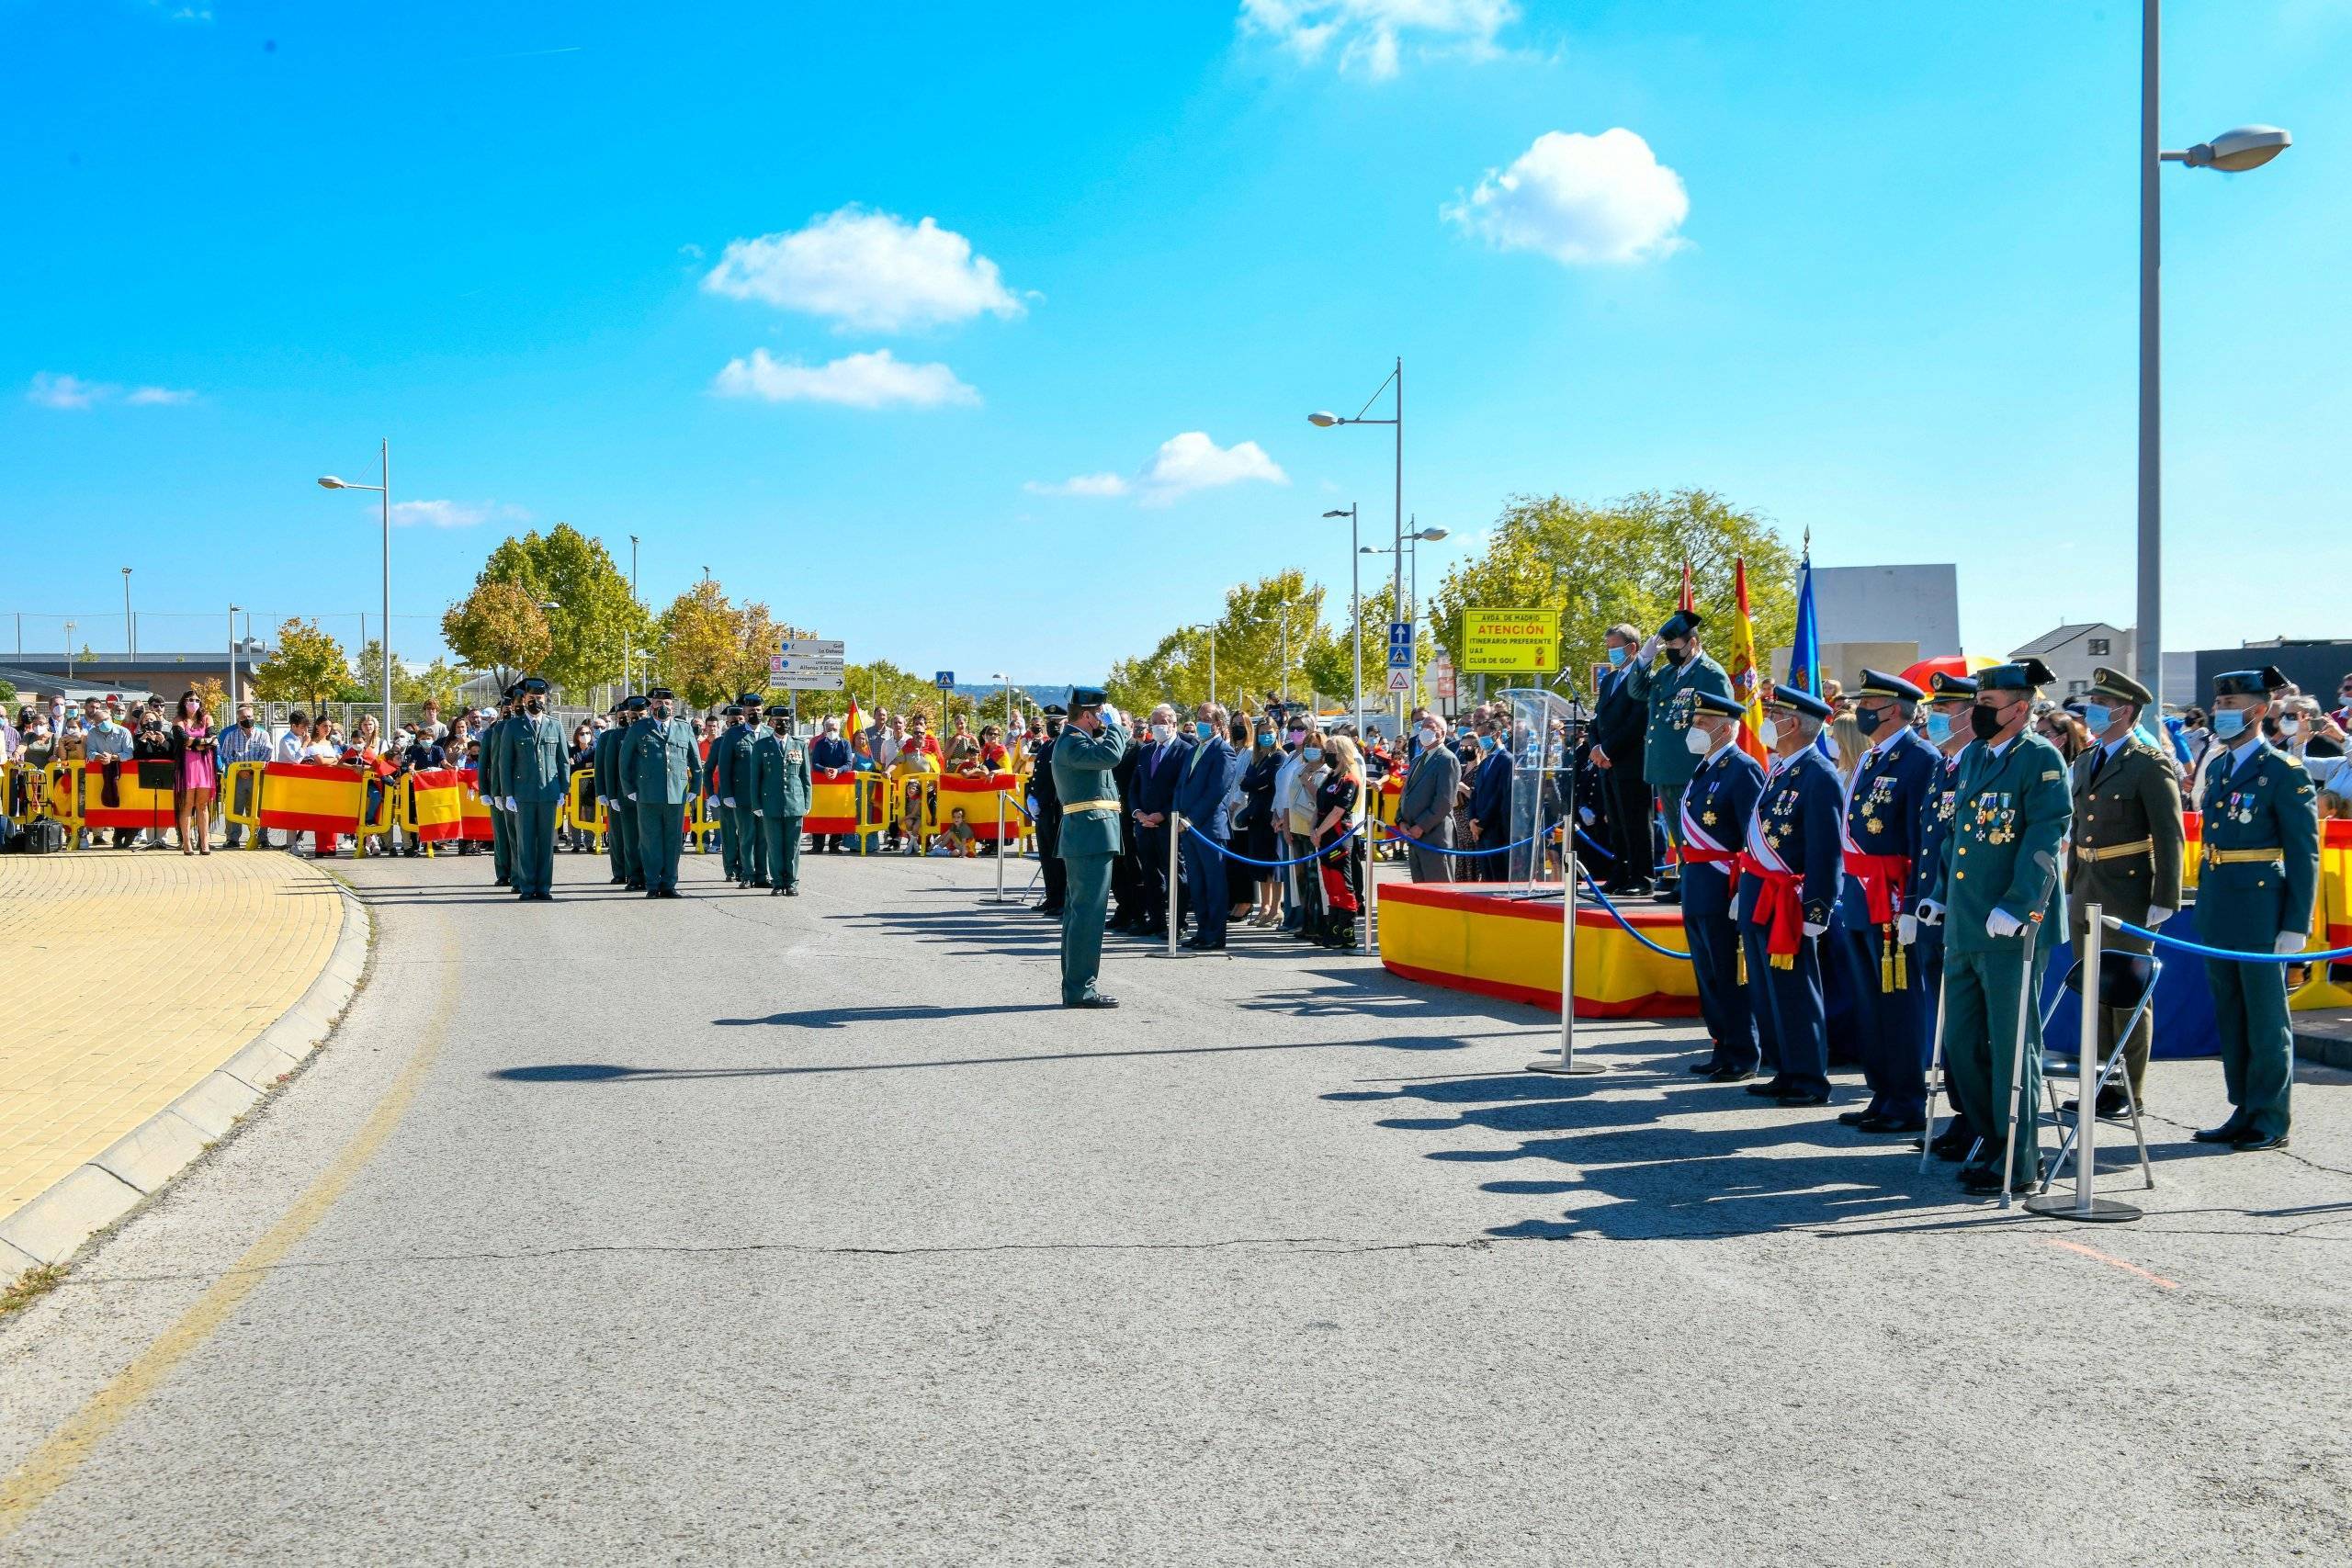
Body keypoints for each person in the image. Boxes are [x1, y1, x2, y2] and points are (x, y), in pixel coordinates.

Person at [1917, 658, 2071, 1197]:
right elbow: (1955, 837)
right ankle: (1991, 1137)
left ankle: (2020, 1158)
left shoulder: (2041, 760)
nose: (1978, 713)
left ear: (2021, 709)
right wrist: (1937, 894)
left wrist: (2019, 903)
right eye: (1978, 704)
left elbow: (2046, 838)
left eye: (1987, 705)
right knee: (1962, 1044)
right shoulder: (1978, 756)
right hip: (1965, 921)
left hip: (2010, 927)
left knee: (2012, 1046)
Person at [2193, 666, 2319, 1152]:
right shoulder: (2222, 766)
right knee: (2231, 1012)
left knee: (2266, 1019)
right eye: (2220, 705)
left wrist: (2295, 923)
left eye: (2231, 706)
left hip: (2262, 910)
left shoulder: (2283, 771)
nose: (2222, 713)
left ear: (2260, 710)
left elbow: (2304, 850)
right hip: (2221, 906)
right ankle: (2242, 1106)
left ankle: (2269, 1116)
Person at [2064, 666, 2187, 1120]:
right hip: (2086, 889)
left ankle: (2127, 1090)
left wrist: (2165, 897)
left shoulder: (2147, 763)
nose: (2092, 711)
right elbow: (2079, 828)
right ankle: (2099, 1082)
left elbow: (2169, 833)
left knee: (2128, 993)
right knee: (2093, 993)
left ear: (2125, 710)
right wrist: (2071, 887)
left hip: (2129, 893)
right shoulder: (2085, 760)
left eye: (2101, 703)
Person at [1825, 670, 1940, 1135]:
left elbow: (1921, 840)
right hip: (1860, 894)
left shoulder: (1920, 759)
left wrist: (1912, 904)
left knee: (1898, 1001)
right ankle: (1882, 1092)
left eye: (1870, 703)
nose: (1862, 710)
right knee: (1870, 1001)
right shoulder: (1874, 757)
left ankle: (1907, 1098)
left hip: (1893, 899)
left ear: (1893, 709)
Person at [1736, 685, 1846, 1108]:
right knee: (1770, 989)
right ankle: (1785, 1068)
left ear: (1793, 723)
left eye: (1775, 713)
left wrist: (1817, 906)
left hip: (1791, 901)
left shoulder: (1818, 774)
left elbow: (1824, 848)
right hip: (1763, 893)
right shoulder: (1782, 770)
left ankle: (1808, 1077)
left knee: (1797, 990)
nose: (1767, 720)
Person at [1673, 690, 1767, 1080]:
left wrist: (1745, 886)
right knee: (1708, 973)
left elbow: (1754, 835)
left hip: (1723, 882)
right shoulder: (1705, 768)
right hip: (1697, 882)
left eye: (1702, 722)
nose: (1694, 728)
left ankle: (1743, 1052)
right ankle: (1720, 1045)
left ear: (1725, 727)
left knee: (1730, 973)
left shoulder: (1741, 768)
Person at [1912, 671, 1982, 1162]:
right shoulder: (1945, 767)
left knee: (1969, 1025)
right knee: (1949, 1022)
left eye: (1945, 711)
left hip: (1964, 910)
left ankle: (1979, 1118)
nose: (1935, 719)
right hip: (1935, 905)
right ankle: (1963, 1115)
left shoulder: (1974, 767)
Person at [1624, 610, 1733, 905]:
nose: (1670, 653)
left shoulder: (1710, 674)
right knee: (1677, 829)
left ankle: (1697, 882)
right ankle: (1686, 878)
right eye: (1667, 648)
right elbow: (1636, 690)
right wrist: (1644, 659)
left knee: (1695, 830)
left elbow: (1725, 722)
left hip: (1692, 766)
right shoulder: (1667, 674)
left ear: (1693, 643)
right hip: (1664, 766)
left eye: (1675, 647)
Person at [1051, 689, 1130, 1008]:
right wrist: (1115, 727)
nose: (1103, 718)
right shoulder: (1074, 743)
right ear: (1088, 715)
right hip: (1089, 835)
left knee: (1081, 912)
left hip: (1091, 834)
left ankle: (1076, 984)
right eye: (1100, 713)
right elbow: (1112, 756)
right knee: (1088, 914)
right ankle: (1081, 988)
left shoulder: (1078, 742)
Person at [1589, 624, 1652, 895]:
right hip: (1607, 764)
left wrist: (1608, 751)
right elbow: (1598, 719)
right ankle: (1621, 872)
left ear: (1632, 648)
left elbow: (1637, 722)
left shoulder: (1643, 678)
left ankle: (1642, 877)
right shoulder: (1609, 680)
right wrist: (1595, 748)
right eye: (1609, 648)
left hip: (1630, 762)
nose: (1611, 652)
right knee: (1615, 823)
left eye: (1615, 647)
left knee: (1635, 822)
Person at [626, 687, 704, 897]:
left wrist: (695, 788)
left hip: (676, 793)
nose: (664, 707)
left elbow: (695, 762)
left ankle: (669, 883)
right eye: (660, 704)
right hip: (648, 793)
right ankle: (652, 884)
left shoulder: (683, 728)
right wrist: (630, 788)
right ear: (652, 706)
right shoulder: (640, 728)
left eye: (668, 704)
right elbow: (626, 762)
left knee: (673, 840)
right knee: (650, 841)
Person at [499, 677, 568, 901]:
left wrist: (562, 790)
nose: (535, 702)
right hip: (523, 793)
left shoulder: (555, 725)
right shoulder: (513, 726)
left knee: (546, 843)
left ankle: (544, 887)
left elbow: (563, 760)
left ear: (545, 699)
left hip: (549, 792)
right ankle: (528, 888)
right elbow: (505, 762)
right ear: (524, 699)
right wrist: (508, 793)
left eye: (539, 698)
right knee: (526, 842)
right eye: (531, 698)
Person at [1172, 701, 1234, 951]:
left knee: (1213, 882)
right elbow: (1181, 786)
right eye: (1199, 717)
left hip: (1208, 828)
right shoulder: (1194, 750)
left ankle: (1215, 934)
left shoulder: (1223, 751)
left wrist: (1192, 819)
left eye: (1206, 718)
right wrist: (1177, 813)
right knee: (1196, 882)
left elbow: (1216, 791)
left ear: (1219, 723)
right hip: (1186, 826)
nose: (1201, 722)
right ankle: (1202, 929)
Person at [1130, 705, 1183, 936]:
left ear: (1173, 724)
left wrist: (1163, 813)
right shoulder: (1146, 750)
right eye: (1154, 723)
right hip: (1144, 824)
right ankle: (1156, 920)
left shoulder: (1185, 751)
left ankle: (1178, 923)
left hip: (1169, 824)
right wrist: (1138, 813)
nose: (1157, 727)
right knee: (1150, 875)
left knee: (1175, 875)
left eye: (1162, 722)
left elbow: (1181, 790)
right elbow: (1135, 787)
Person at [1394, 708, 1462, 884]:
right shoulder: (1417, 760)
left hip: (1434, 837)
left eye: (1430, 727)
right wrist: (1401, 820)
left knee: (1439, 892)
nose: (1424, 731)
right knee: (1421, 893)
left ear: (1442, 733)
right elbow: (1406, 793)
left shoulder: (1448, 759)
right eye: (1422, 727)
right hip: (1413, 837)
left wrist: (1421, 826)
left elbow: (1444, 801)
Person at [1310, 734, 1365, 949]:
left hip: (1339, 836)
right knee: (1330, 883)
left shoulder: (1349, 779)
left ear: (1342, 752)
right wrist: (1313, 830)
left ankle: (1347, 931)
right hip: (1323, 836)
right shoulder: (1329, 777)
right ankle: (1332, 929)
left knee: (1343, 883)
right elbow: (1319, 806)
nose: (1327, 754)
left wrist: (1319, 831)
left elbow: (1338, 811)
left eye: (1331, 750)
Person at [752, 704, 812, 894]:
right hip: (771, 803)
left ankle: (792, 882)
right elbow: (756, 778)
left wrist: (807, 802)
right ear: (771, 722)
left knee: (793, 845)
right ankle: (778, 882)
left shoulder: (799, 745)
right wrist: (757, 804)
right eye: (779, 721)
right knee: (775, 844)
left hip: (795, 803)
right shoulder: (762, 746)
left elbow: (806, 778)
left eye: (786, 722)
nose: (783, 725)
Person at [1238, 720, 1284, 926]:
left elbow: (1262, 782)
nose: (1266, 736)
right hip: (1256, 815)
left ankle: (1276, 907)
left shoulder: (1278, 756)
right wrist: (1254, 782)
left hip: (1271, 815)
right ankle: (1264, 906)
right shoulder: (1257, 758)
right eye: (1262, 733)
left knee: (1273, 864)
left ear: (1276, 733)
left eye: (1269, 732)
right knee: (1260, 864)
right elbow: (1248, 782)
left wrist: (1254, 782)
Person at [596, 698, 646, 888]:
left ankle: (640, 872)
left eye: (628, 715)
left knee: (638, 836)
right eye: (622, 717)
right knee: (618, 835)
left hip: (642, 791)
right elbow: (604, 767)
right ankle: (620, 871)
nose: (626, 719)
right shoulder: (612, 737)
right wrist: (605, 792)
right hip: (619, 792)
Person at [164, 691, 219, 857]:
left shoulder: (207, 718)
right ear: (184, 701)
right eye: (190, 699)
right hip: (187, 766)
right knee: (187, 804)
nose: (193, 702)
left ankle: (205, 842)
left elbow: (213, 739)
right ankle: (187, 842)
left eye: (196, 700)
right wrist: (203, 743)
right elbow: (182, 740)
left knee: (202, 805)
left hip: (204, 765)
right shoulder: (178, 720)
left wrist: (195, 743)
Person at [215, 703, 273, 849]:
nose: (247, 719)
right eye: (243, 717)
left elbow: (267, 754)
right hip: (238, 777)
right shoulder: (231, 735)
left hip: (257, 777)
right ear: (238, 720)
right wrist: (240, 770)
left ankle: (262, 838)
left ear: (254, 717)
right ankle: (233, 838)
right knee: (235, 807)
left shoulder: (263, 734)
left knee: (259, 808)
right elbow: (226, 755)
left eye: (249, 716)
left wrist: (253, 770)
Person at [1030, 705, 1067, 916]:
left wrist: (1042, 801)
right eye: (1050, 722)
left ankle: (1061, 900)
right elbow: (1038, 776)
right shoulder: (1046, 746)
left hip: (1055, 808)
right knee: (1046, 856)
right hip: (1043, 809)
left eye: (1057, 722)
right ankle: (1052, 897)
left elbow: (1058, 781)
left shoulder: (1063, 745)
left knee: (1058, 857)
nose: (1052, 726)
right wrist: (1030, 796)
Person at [1465, 718, 1513, 884]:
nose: (1482, 739)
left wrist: (1482, 823)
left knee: (1498, 878)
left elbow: (1500, 795)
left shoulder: (1507, 760)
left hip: (1496, 830)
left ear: (1498, 734)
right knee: (1486, 878)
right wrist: (1472, 820)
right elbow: (1476, 793)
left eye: (1485, 734)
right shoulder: (1485, 762)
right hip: (1480, 832)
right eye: (1479, 735)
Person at [479, 688, 516, 886]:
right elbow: (484, 764)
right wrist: (485, 791)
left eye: (512, 707)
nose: (508, 711)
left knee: (519, 835)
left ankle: (519, 872)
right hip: (498, 790)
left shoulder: (521, 728)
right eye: (505, 708)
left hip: (519, 789)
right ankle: (503, 872)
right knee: (501, 834)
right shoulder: (492, 733)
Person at [809, 717, 853, 852]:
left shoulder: (845, 744)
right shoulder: (820, 744)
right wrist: (825, 769)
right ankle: (817, 846)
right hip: (822, 786)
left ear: (838, 729)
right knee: (820, 814)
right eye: (829, 729)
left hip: (840, 786)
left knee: (838, 814)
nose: (832, 731)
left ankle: (835, 845)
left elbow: (848, 764)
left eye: (834, 729)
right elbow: (815, 763)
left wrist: (838, 771)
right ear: (825, 730)